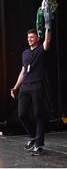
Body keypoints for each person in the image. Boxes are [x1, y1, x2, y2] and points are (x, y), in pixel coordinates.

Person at [10, 26, 52, 156]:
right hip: (25, 87)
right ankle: (33, 137)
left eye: (32, 37)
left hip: (37, 86)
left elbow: (47, 41)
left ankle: (39, 145)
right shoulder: (25, 53)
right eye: (28, 38)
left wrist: (48, 26)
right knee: (22, 114)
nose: (29, 39)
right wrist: (16, 87)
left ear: (37, 38)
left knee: (38, 115)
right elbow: (23, 72)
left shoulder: (41, 50)